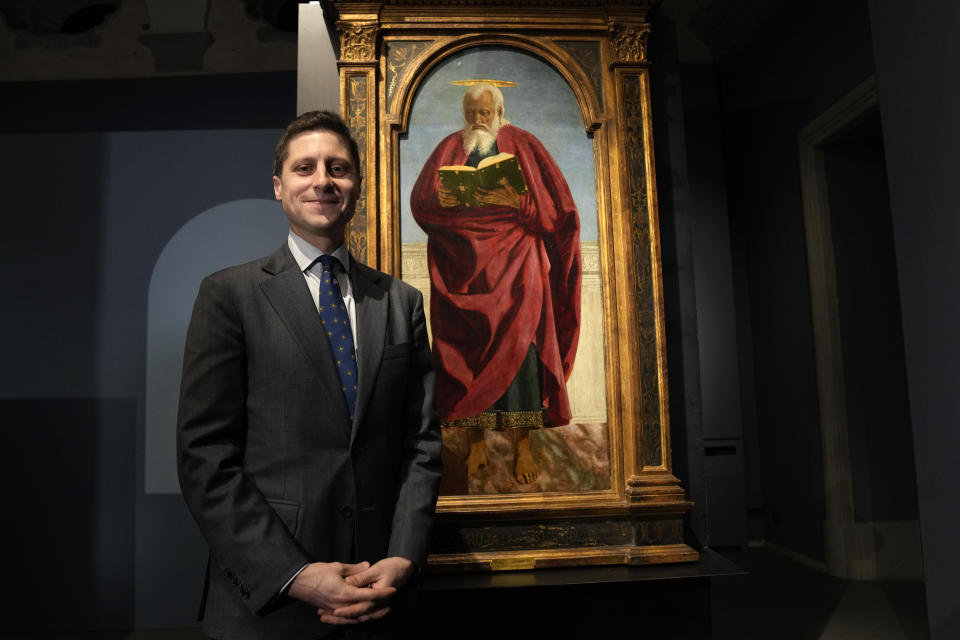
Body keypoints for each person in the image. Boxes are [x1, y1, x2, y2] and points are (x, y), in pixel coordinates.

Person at [177, 110, 442, 639]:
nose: (322, 180)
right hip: (268, 606)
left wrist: (403, 557)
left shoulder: (400, 303)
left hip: (379, 597)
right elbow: (205, 458)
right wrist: (293, 574)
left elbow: (422, 445)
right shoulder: (229, 296)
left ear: (356, 187)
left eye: (338, 168)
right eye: (304, 168)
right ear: (279, 187)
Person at [410, 83, 580, 485]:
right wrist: (442, 203)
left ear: (499, 111)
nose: (478, 120)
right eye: (471, 113)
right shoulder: (451, 147)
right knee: (466, 353)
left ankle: (523, 445)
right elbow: (421, 203)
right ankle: (476, 442)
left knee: (522, 351)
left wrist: (516, 203)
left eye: (485, 113)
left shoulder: (524, 144)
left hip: (518, 266)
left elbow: (557, 214)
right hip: (461, 268)